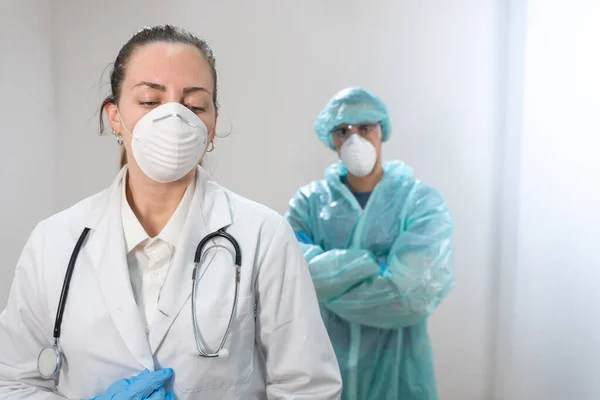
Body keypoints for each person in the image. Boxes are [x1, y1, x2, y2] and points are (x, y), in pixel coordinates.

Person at [0, 25, 342, 399]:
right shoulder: (54, 243)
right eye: (150, 101)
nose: (175, 120)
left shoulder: (263, 235)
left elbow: (308, 388)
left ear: (211, 125)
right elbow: (14, 381)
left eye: (194, 106)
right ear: (114, 117)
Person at [284, 87, 455, 400]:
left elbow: (412, 295)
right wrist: (372, 263)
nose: (354, 140)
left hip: (400, 375)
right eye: (342, 131)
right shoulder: (307, 204)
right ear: (330, 138)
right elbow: (294, 274)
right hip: (324, 370)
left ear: (382, 131)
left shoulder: (420, 203)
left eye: (365, 128)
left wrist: (332, 280)